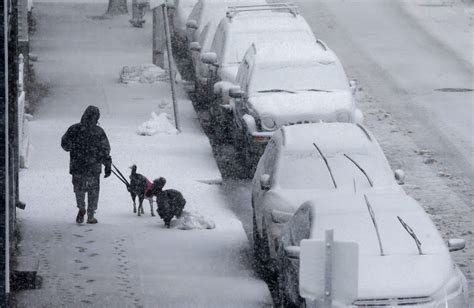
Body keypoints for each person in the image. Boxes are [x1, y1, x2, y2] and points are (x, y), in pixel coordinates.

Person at [61, 105, 112, 224]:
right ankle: (90, 215)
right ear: (97, 117)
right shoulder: (99, 132)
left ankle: (81, 207)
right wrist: (107, 164)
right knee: (93, 190)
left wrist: (75, 147)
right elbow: (105, 150)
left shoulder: (74, 129)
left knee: (79, 188)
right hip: (93, 167)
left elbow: (65, 145)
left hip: (77, 166)